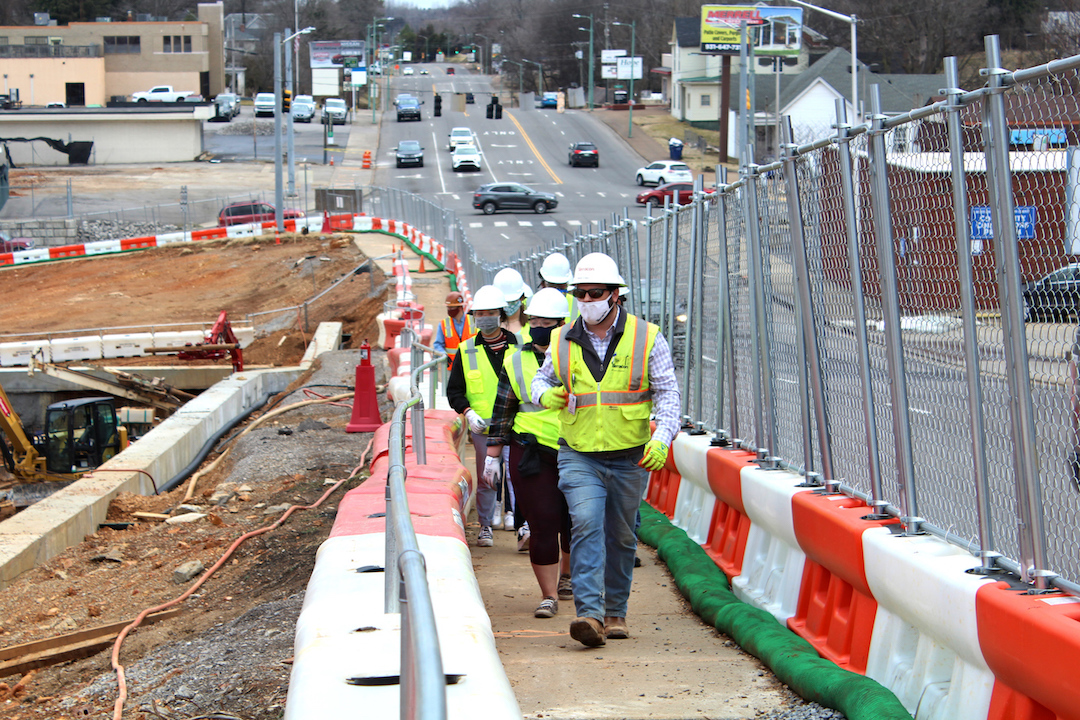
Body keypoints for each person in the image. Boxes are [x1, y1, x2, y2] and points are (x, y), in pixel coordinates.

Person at [530, 252, 681, 647]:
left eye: (594, 293)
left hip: (630, 456)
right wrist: (547, 396)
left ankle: (616, 612)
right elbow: (539, 382)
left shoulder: (648, 337)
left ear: (615, 295)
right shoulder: (562, 338)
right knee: (585, 522)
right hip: (578, 453)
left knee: (620, 536)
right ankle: (589, 615)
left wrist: (662, 439)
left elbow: (668, 394)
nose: (586, 301)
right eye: (579, 294)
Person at [485, 288, 574, 618]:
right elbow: (504, 406)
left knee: (575, 522)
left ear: (562, 324)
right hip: (531, 451)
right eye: (534, 319)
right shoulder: (515, 359)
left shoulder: (577, 355)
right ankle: (549, 594)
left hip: (574, 449)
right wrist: (493, 455)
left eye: (547, 321)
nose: (538, 325)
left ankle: (567, 577)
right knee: (544, 521)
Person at [446, 285, 519, 547]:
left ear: (500, 314)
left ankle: (520, 520)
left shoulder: (519, 346)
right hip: (484, 429)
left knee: (516, 474)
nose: (484, 318)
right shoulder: (466, 350)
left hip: (516, 424)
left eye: (490, 313)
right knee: (488, 478)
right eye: (480, 313)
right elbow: (454, 390)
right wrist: (467, 411)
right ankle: (486, 525)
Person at [432, 291, 475, 369]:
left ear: (460, 307)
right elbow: (438, 344)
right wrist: (444, 354)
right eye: (448, 307)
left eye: (451, 308)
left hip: (472, 365)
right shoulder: (443, 324)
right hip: (453, 367)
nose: (449, 310)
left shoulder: (474, 322)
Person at [538, 251, 578, 322]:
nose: (556, 290)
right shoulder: (530, 304)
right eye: (552, 285)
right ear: (542, 284)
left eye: (561, 286)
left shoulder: (577, 305)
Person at [493, 267, 531, 339]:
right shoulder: (488, 328)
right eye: (505, 301)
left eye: (512, 301)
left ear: (522, 297)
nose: (508, 305)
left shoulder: (532, 326)